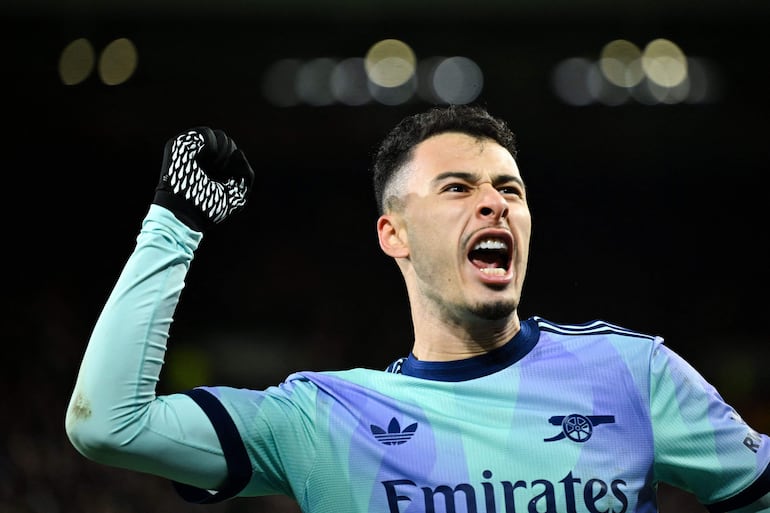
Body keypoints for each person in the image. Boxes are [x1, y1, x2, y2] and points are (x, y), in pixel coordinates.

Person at [65, 105, 770, 513]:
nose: (494, 201)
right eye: (458, 187)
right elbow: (108, 426)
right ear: (392, 233)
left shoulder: (631, 372)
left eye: (510, 189)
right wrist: (173, 227)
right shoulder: (322, 418)